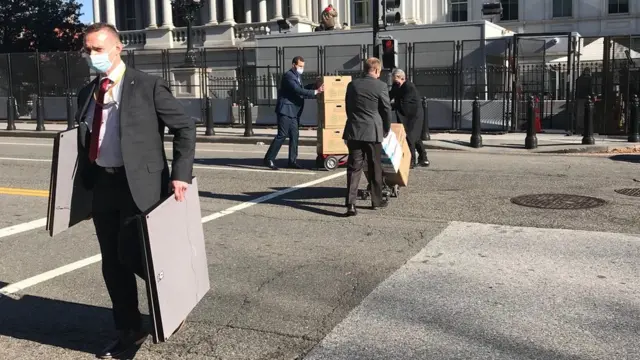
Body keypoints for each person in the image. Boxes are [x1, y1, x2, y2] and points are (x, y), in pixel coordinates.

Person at [76, 23, 196, 358]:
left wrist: (180, 175)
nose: (91, 56)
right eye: (87, 49)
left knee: (132, 253)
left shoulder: (147, 85)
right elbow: (85, 139)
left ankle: (173, 297)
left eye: (97, 49)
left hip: (139, 186)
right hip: (103, 184)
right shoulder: (88, 92)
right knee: (112, 263)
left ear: (118, 49)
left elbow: (185, 127)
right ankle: (128, 328)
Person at [343, 57, 392, 216]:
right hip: (372, 131)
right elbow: (386, 110)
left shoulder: (352, 85)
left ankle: (351, 204)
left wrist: (353, 122)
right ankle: (376, 200)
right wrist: (386, 128)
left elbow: (348, 107)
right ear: (377, 70)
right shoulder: (381, 86)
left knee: (354, 167)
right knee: (374, 165)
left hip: (355, 130)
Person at [264, 56, 324, 170]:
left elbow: (302, 88)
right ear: (293, 65)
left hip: (294, 112)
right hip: (285, 110)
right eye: (300, 66)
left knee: (294, 136)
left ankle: (292, 161)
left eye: (303, 66)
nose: (302, 68)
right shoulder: (288, 76)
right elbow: (297, 90)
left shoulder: (297, 76)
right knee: (282, 135)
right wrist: (316, 91)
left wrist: (314, 85)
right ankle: (269, 159)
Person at [390, 69, 429, 168]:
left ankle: (411, 161)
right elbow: (390, 95)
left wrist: (393, 106)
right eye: (393, 80)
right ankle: (423, 158)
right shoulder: (396, 86)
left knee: (410, 137)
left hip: (414, 115)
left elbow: (405, 103)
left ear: (402, 78)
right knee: (415, 137)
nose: (394, 82)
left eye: (396, 80)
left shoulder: (409, 87)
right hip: (405, 115)